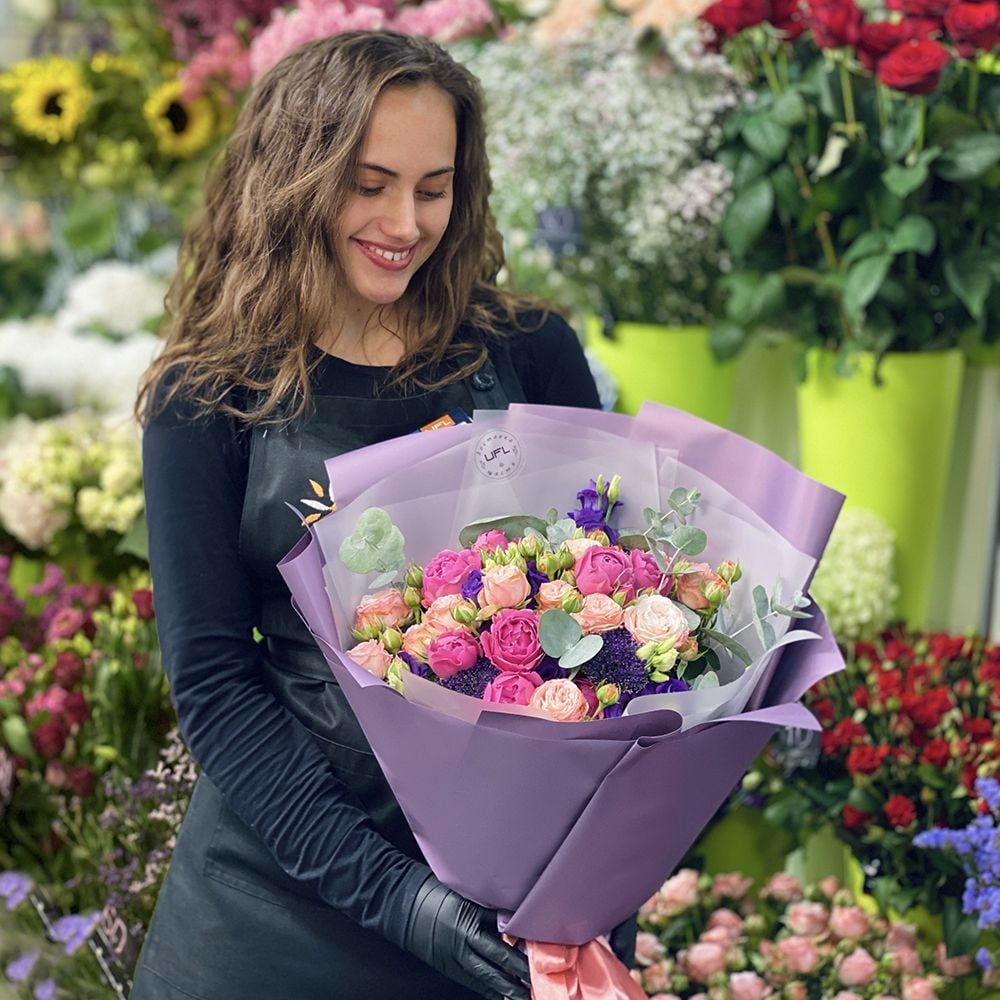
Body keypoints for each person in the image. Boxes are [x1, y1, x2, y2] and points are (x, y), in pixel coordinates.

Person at [131, 29, 625, 1000]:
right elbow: (217, 685)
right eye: (369, 184)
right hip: (276, 902)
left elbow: (617, 625)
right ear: (295, 180)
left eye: (433, 189)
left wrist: (595, 875)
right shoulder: (210, 398)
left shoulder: (528, 352)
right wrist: (397, 899)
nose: (404, 222)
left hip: (506, 901)